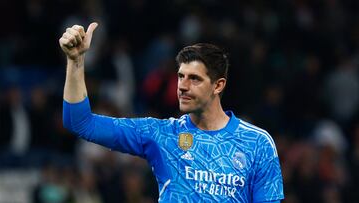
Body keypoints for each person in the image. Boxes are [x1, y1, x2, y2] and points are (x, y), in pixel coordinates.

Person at [59, 22, 284, 203]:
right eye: (180, 76)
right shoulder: (161, 135)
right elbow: (80, 123)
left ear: (218, 85)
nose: (183, 86)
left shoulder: (257, 143)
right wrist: (76, 61)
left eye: (194, 78)